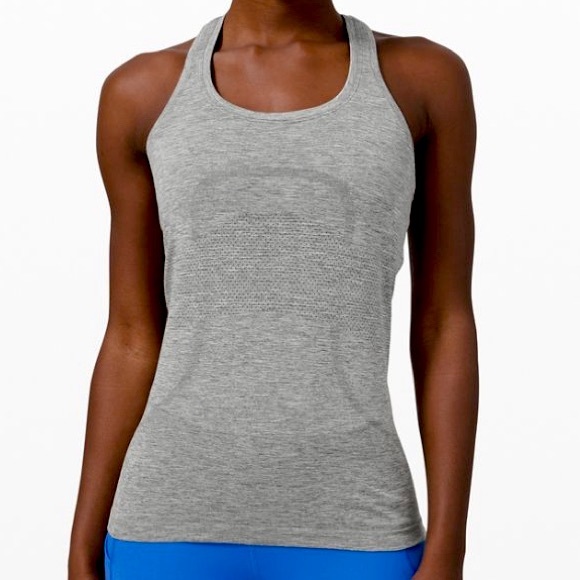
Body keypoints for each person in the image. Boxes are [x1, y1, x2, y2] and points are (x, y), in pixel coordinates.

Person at [68, 1, 478, 579]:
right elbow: (133, 336)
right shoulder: (141, 94)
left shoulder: (422, 81)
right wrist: (82, 547)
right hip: (165, 524)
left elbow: (443, 323)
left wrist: (450, 549)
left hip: (359, 522)